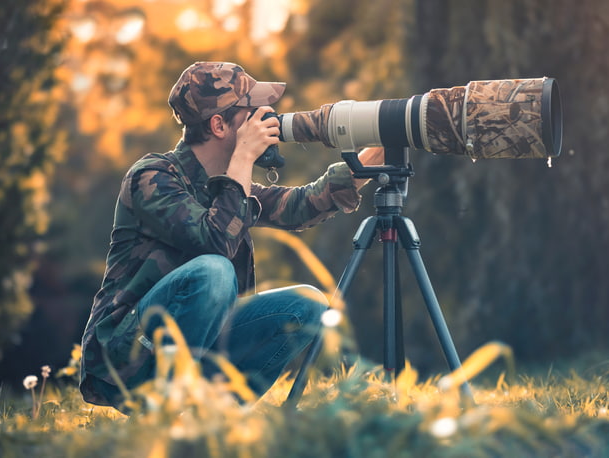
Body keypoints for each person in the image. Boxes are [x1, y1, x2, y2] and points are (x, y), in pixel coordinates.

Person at [78, 61, 384, 410]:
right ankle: (169, 411)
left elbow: (303, 205)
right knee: (214, 270)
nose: (265, 115)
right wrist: (244, 157)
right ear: (219, 125)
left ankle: (215, 414)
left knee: (307, 303)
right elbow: (215, 241)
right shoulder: (151, 177)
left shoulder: (229, 188)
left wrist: (380, 151)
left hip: (198, 350)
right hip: (127, 358)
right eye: (251, 111)